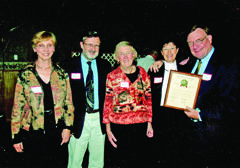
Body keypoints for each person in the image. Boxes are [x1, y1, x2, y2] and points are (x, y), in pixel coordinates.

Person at [11, 31, 74, 168]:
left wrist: (68, 127)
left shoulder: (62, 74)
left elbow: (69, 103)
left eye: (49, 45)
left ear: (54, 48)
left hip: (58, 132)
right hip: (33, 133)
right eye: (41, 45)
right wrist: (16, 136)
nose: (46, 50)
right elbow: (17, 107)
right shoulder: (25, 75)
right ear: (35, 48)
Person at [184, 25, 239, 167]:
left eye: (199, 40)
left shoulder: (227, 66)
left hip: (216, 139)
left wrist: (201, 115)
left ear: (209, 39)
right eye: (190, 43)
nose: (194, 46)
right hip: (191, 138)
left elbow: (232, 104)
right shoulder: (190, 64)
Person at [103, 41, 153, 167]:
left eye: (128, 53)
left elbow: (149, 100)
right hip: (119, 128)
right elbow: (107, 103)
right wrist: (108, 130)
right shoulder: (112, 76)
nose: (125, 57)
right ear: (116, 57)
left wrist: (149, 123)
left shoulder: (143, 74)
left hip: (140, 127)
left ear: (134, 55)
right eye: (121, 54)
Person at [66, 30, 111, 168]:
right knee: (74, 162)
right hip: (78, 120)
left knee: (97, 162)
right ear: (81, 44)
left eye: (96, 45)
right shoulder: (69, 65)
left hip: (99, 119)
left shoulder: (105, 66)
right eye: (89, 44)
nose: (93, 48)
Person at [148, 39, 193, 167]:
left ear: (177, 51)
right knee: (160, 153)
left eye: (172, 48)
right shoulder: (154, 70)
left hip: (179, 117)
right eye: (165, 49)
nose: (169, 52)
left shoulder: (186, 69)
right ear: (161, 52)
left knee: (179, 154)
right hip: (159, 117)